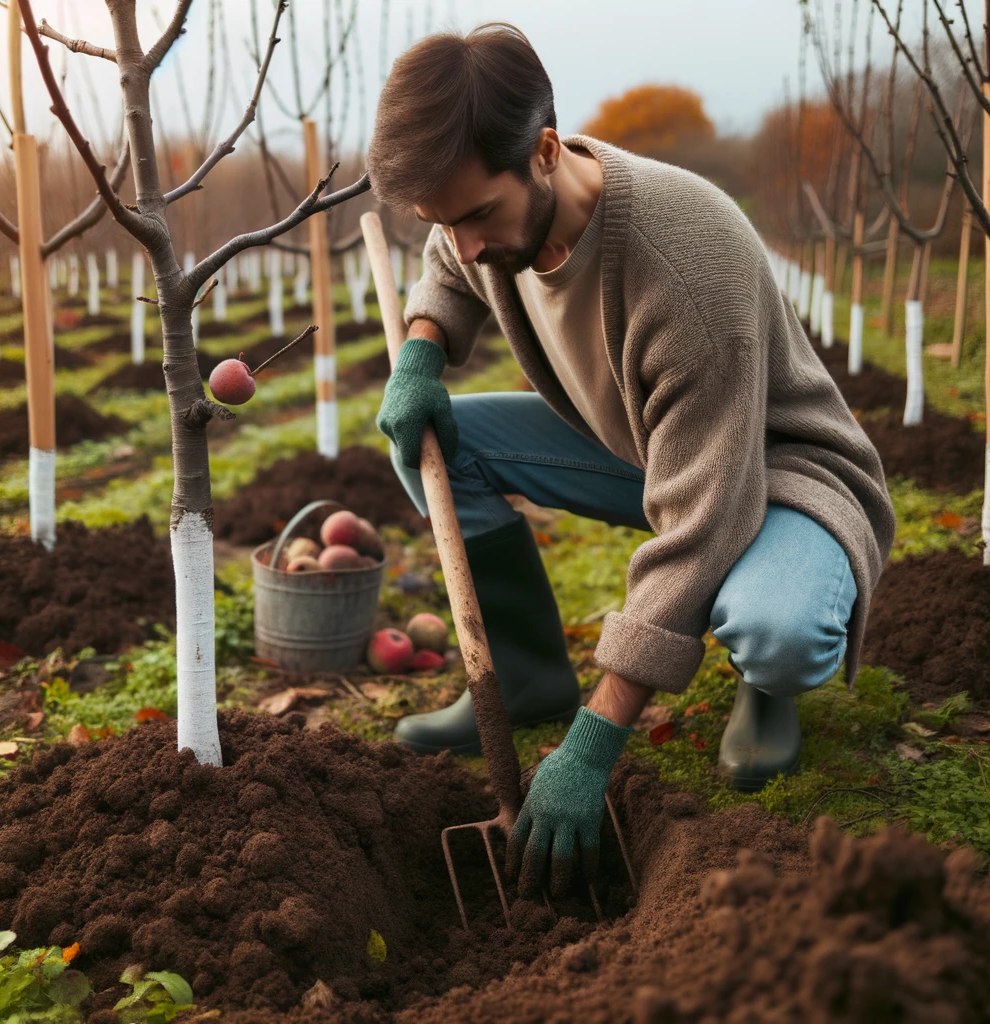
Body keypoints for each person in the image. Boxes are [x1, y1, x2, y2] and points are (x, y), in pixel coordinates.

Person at [365, 22, 896, 895]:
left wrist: (596, 740)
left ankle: (767, 686)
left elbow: (703, 520)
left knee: (778, 629)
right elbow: (445, 265)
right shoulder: (489, 209)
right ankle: (529, 674)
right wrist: (423, 348)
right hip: (640, 447)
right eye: (440, 220)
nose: (462, 243)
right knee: (429, 443)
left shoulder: (685, 264)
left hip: (778, 471)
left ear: (543, 153)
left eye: (474, 218)